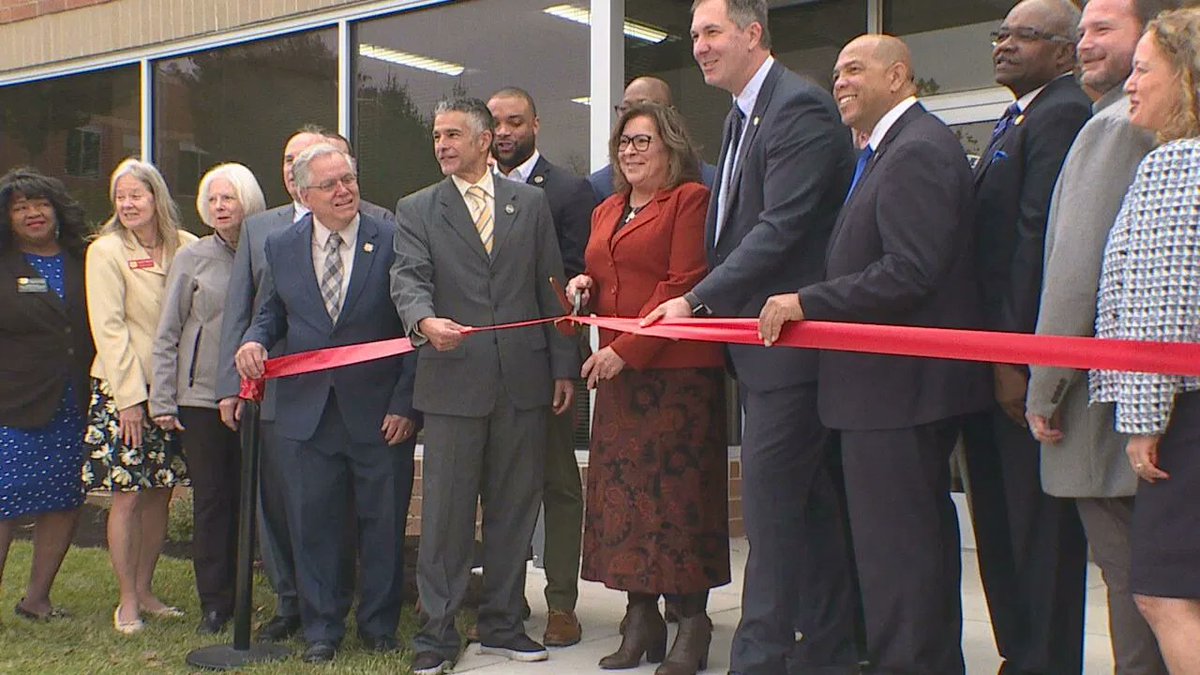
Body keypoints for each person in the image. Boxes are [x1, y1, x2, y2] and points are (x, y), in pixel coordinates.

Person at [758, 35, 991, 673]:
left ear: (899, 76)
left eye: (855, 69)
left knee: (901, 558)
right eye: (836, 72)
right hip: (876, 397)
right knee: (897, 556)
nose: (840, 81)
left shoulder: (918, 150)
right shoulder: (883, 151)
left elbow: (910, 271)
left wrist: (808, 301)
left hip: (899, 396)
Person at [642, 1, 860, 672]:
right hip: (759, 354)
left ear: (753, 33)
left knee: (770, 516)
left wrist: (695, 299)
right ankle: (832, 647)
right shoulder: (741, 115)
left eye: (712, 32)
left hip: (793, 351)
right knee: (810, 509)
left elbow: (781, 227)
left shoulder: (798, 108)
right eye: (694, 35)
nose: (699, 46)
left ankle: (759, 657)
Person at [391, 98, 578, 675]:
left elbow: (551, 286)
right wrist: (424, 321)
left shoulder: (531, 204)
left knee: (514, 508)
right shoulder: (418, 208)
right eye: (436, 135)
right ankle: (437, 633)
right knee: (446, 516)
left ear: (483, 141)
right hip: (451, 383)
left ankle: (502, 623)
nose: (442, 144)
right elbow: (408, 278)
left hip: (522, 382)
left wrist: (563, 366)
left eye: (452, 134)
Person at [1024, 1, 1178, 671]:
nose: (1085, 42)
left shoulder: (1114, 128)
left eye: (1104, 29)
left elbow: (1075, 270)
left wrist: (1044, 385)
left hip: (1105, 408)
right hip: (1150, 398)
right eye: (1082, 29)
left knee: (1135, 585)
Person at [236, 143, 417, 663]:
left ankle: (379, 626)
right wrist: (253, 341)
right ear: (302, 193)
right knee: (314, 524)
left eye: (349, 180)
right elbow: (271, 314)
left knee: (383, 523)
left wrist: (406, 404)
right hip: (308, 414)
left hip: (380, 413)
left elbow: (414, 327)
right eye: (330, 184)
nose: (344, 191)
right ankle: (321, 628)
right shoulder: (281, 246)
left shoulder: (392, 239)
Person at [567, 101, 729, 675]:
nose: (630, 152)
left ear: (670, 147)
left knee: (677, 504)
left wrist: (624, 351)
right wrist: (584, 285)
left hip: (677, 380)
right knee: (626, 504)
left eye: (643, 141)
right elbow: (608, 272)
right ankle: (640, 618)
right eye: (624, 142)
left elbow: (681, 284)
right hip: (621, 378)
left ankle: (692, 623)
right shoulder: (607, 208)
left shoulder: (689, 200)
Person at [959, 1, 1093, 672]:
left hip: (1020, 365)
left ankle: (1043, 659)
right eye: (1001, 33)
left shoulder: (1062, 113)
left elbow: (1036, 241)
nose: (1005, 45)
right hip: (988, 358)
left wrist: (1016, 358)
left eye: (1025, 35)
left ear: (1065, 52)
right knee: (999, 524)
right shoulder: (1017, 115)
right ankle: (1021, 653)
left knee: (1037, 533)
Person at [215, 125, 358, 642]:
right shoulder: (262, 231)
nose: (292, 166)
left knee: (335, 506)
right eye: (288, 158)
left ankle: (344, 601)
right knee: (279, 505)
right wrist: (230, 384)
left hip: (350, 393)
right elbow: (245, 311)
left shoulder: (373, 223)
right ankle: (289, 601)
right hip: (278, 391)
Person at [1090, 9, 1200, 672]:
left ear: (1184, 78)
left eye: (1142, 69)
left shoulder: (1176, 164)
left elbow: (1163, 309)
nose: (1129, 84)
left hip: (1185, 414)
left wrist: (1142, 420)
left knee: (1165, 594)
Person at [487, 85, 594, 647]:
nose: (504, 132)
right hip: (486, 367)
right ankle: (504, 599)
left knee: (558, 483)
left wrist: (563, 365)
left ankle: (561, 604)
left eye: (515, 122)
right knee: (500, 485)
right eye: (496, 123)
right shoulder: (470, 193)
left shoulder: (571, 191)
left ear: (536, 125)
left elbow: (571, 281)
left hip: (546, 360)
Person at [149, 163, 265, 635]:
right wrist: (162, 398)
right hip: (200, 400)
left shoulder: (269, 249)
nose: (219, 207)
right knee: (214, 499)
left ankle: (251, 594)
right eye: (212, 199)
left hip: (261, 396)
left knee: (253, 500)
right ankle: (215, 603)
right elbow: (168, 330)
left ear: (247, 201)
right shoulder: (192, 257)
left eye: (228, 198)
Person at [82, 158, 197, 634]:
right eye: (121, 196)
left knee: (160, 494)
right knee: (127, 496)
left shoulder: (186, 246)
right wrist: (130, 399)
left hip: (173, 391)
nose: (128, 204)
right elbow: (109, 330)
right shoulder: (106, 251)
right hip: (124, 391)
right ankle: (127, 600)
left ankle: (147, 590)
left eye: (137, 195)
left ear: (156, 197)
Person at [0, 169, 93, 623]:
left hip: (73, 401)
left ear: (57, 209)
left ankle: (37, 600)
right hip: (13, 402)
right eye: (20, 207)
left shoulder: (84, 258)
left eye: (40, 204)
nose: (33, 213)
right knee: (4, 500)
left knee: (63, 498)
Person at [589, 76, 719, 202]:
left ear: (670, 115)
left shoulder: (709, 182)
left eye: (644, 106)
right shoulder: (599, 188)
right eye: (625, 108)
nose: (633, 115)